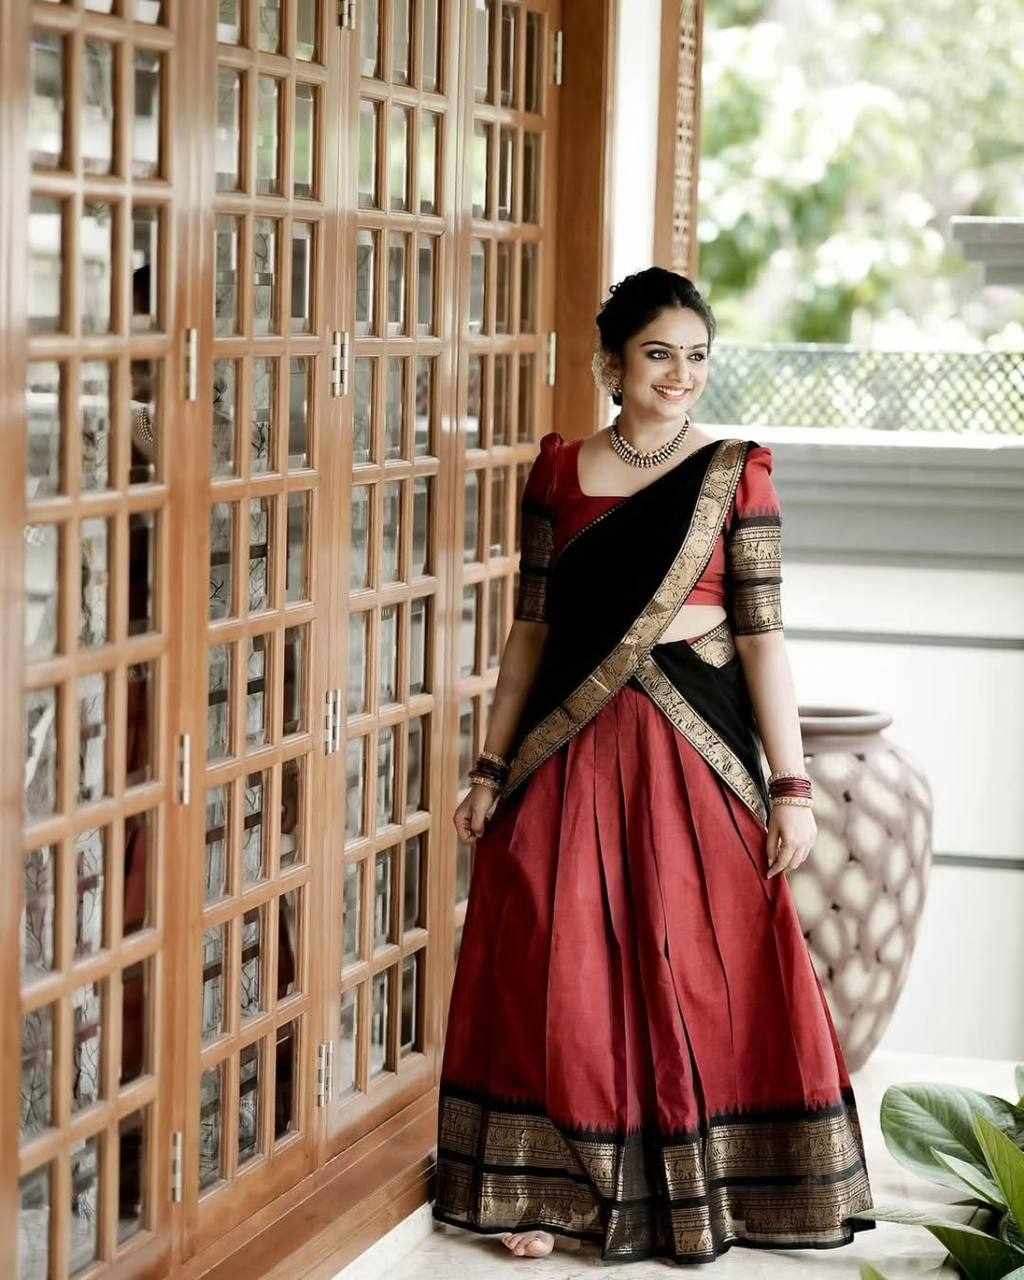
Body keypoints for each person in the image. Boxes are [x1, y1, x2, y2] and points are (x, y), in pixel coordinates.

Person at [431, 268, 875, 1265]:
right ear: (612, 363)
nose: (681, 374)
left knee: (703, 965)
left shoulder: (734, 474)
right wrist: (489, 765)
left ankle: (712, 1187)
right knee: (558, 963)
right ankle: (551, 1191)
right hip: (569, 749)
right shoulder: (558, 473)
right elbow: (530, 634)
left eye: (697, 356)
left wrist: (792, 787)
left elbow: (762, 639)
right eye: (659, 354)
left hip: (694, 748)